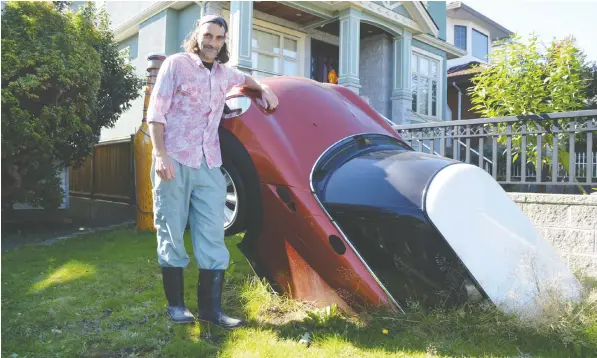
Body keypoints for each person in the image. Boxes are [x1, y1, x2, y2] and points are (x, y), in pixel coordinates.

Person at [146, 14, 279, 329]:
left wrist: (262, 89)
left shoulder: (224, 74)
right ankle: (177, 307)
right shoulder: (176, 65)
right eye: (208, 36)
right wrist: (160, 154)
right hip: (174, 159)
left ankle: (211, 310)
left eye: (219, 38)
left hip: (210, 163)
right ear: (197, 35)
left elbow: (245, 79)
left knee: (212, 235)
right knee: (171, 230)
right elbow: (156, 111)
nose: (213, 43)